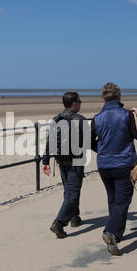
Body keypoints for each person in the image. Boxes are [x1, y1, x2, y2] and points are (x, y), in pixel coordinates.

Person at [91, 82, 137, 256]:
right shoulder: (127, 115)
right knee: (122, 201)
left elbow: (87, 141)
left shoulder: (97, 117)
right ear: (119, 97)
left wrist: (102, 149)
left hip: (104, 165)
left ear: (103, 98)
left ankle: (116, 235)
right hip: (123, 163)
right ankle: (111, 232)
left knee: (113, 199)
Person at [42, 92, 87, 239]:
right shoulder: (80, 120)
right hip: (76, 162)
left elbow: (50, 141)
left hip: (61, 161)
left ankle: (74, 217)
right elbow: (88, 142)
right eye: (79, 101)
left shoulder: (57, 119)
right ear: (74, 103)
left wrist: (45, 161)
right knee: (73, 194)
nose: (81, 103)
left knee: (69, 190)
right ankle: (59, 223)